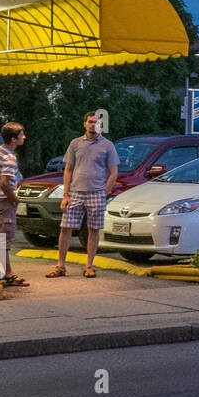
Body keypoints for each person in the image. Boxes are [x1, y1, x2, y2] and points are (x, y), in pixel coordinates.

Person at [46, 111, 118, 279]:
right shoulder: (75, 143)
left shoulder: (108, 146)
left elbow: (113, 172)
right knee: (65, 228)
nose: (93, 125)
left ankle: (89, 266)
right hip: (75, 193)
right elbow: (68, 169)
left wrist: (104, 192)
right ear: (85, 124)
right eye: (90, 122)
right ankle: (60, 266)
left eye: (97, 123)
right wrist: (66, 194)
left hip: (96, 194)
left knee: (93, 230)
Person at [0, 122, 28, 287]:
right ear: (13, 139)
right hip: (5, 200)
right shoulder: (9, 157)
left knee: (0, 236)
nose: (24, 137)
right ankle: (5, 273)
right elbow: (4, 183)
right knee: (5, 238)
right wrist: (14, 198)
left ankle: (3, 271)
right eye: (21, 134)